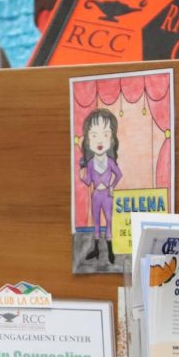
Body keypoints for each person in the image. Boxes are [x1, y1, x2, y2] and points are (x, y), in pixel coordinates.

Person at [77, 107, 122, 263]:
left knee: (109, 220)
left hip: (107, 195)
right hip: (96, 194)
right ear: (89, 140)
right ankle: (96, 249)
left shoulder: (110, 162)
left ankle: (110, 251)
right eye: (94, 135)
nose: (100, 140)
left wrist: (112, 186)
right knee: (96, 221)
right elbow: (89, 181)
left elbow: (119, 174)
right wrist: (81, 177)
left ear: (112, 139)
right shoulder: (89, 164)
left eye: (106, 134)